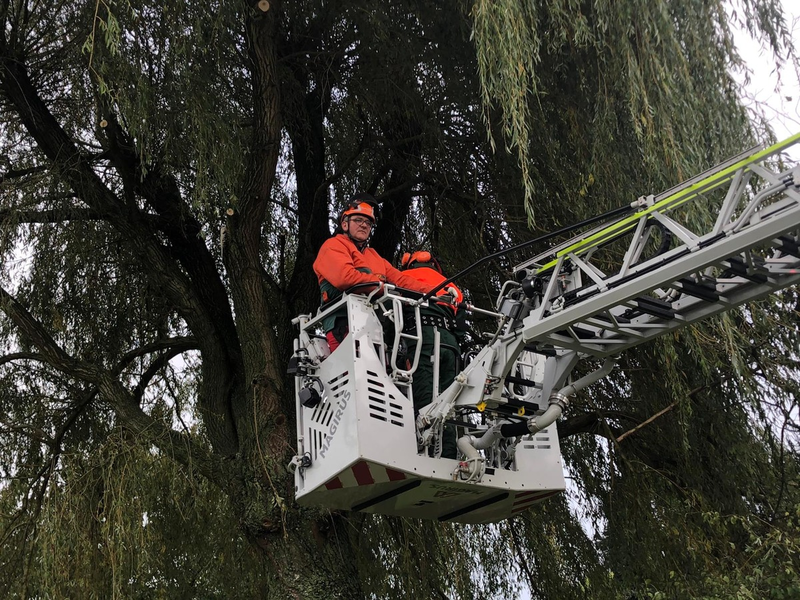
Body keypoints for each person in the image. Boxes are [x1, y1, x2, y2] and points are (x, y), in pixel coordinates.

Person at [313, 193, 431, 352]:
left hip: (376, 325)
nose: (364, 225)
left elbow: (402, 281)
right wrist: (383, 288)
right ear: (345, 223)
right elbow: (346, 278)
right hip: (344, 322)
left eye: (368, 222)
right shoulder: (333, 246)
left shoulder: (375, 257)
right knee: (354, 371)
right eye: (358, 220)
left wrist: (436, 292)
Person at [399, 250, 465, 459]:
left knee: (425, 398)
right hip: (450, 345)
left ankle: (424, 453)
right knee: (448, 402)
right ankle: (448, 455)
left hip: (423, 338)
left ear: (409, 264)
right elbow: (462, 326)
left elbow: (393, 315)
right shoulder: (450, 284)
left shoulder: (403, 279)